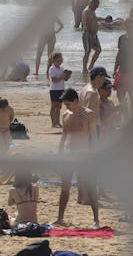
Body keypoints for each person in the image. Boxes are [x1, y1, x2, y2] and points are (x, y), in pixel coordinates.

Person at [55, 88, 100, 228]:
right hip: (69, 154)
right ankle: (59, 218)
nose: (67, 107)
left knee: (90, 187)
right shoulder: (66, 115)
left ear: (76, 100)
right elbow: (64, 136)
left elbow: (94, 138)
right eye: (65, 105)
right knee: (65, 188)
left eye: (68, 104)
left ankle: (96, 220)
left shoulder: (89, 115)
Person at [80, 66, 109, 142]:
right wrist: (93, 135)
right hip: (92, 129)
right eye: (104, 77)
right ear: (98, 77)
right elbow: (88, 115)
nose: (104, 80)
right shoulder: (92, 93)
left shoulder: (85, 88)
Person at [48, 52, 71, 128]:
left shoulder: (61, 67)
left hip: (61, 89)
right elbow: (54, 80)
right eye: (58, 61)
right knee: (54, 106)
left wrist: (67, 75)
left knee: (59, 106)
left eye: (61, 60)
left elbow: (65, 79)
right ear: (53, 61)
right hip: (54, 89)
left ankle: (57, 122)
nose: (59, 62)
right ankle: (53, 123)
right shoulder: (52, 69)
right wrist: (62, 76)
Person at [81, 0, 102, 73]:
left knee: (98, 50)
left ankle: (90, 66)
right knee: (87, 51)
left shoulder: (92, 10)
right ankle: (84, 69)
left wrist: (103, 19)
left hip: (94, 34)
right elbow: (85, 25)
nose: (97, 7)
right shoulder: (87, 11)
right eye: (96, 5)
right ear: (92, 4)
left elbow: (94, 18)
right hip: (88, 34)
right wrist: (90, 35)